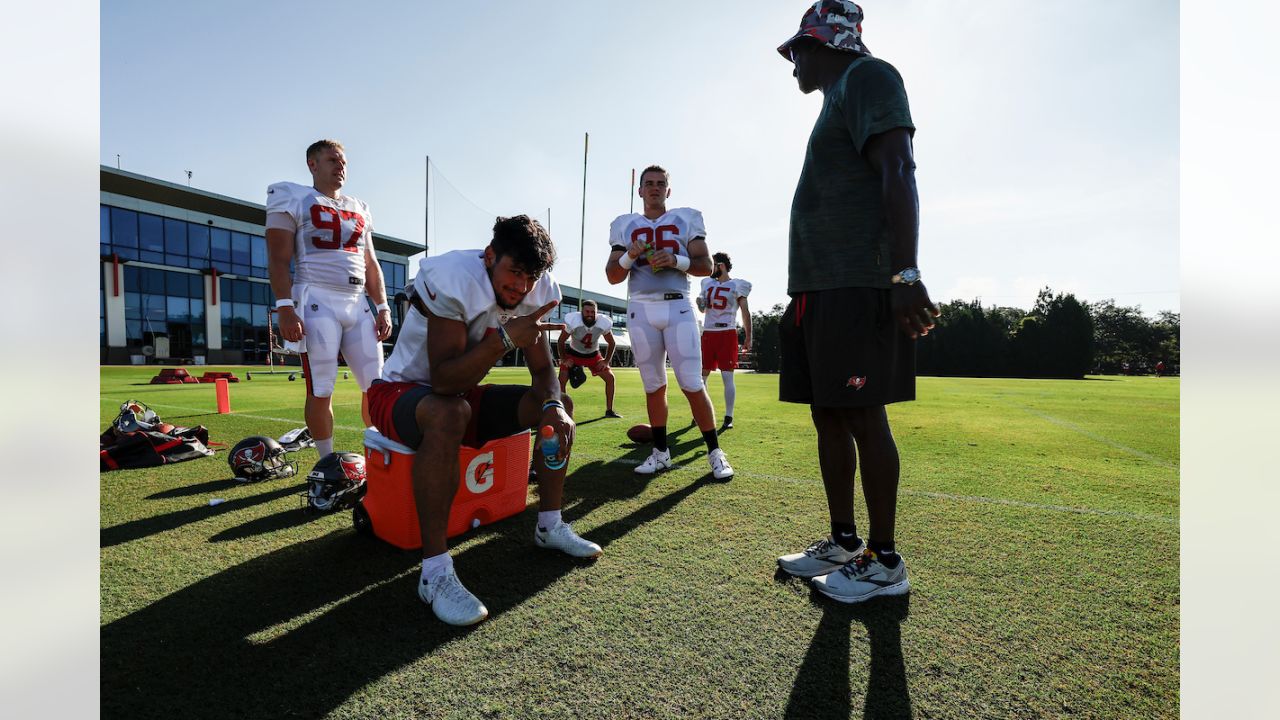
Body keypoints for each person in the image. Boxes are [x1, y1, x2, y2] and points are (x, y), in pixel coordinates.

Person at [773, 2, 940, 604]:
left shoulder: (869, 76)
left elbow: (899, 168)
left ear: (826, 44)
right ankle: (843, 541)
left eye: (799, 49)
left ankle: (885, 561)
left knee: (864, 413)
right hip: (818, 287)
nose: (793, 60)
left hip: (855, 281)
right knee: (828, 411)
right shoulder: (836, 96)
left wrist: (904, 273)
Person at [371, 215, 601, 626]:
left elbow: (543, 370)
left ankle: (549, 523)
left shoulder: (535, 290)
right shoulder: (453, 276)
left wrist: (554, 406)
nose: (521, 287)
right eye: (513, 272)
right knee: (450, 410)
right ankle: (434, 573)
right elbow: (442, 379)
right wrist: (506, 338)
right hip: (401, 393)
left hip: (460, 395)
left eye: (530, 277)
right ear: (490, 256)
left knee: (556, 402)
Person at [605, 165, 734, 480]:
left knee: (692, 383)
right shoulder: (624, 224)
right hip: (640, 309)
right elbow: (612, 275)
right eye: (648, 183)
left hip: (677, 307)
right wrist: (629, 256)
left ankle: (715, 452)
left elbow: (706, 265)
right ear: (640, 190)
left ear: (668, 190)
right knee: (653, 386)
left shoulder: (685, 218)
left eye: (660, 183)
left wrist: (677, 260)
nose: (654, 188)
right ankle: (660, 453)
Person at [266, 139, 392, 460]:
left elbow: (371, 263)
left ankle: (377, 458)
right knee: (321, 388)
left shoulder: (359, 206)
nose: (341, 167)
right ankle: (327, 462)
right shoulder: (293, 197)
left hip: (357, 302)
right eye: (333, 160)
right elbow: (278, 258)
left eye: (344, 162)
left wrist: (382, 306)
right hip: (316, 298)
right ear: (313, 164)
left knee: (377, 388)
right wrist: (285, 307)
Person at [696, 252, 752, 431]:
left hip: (726, 332)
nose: (710, 268)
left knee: (727, 376)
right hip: (709, 332)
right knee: (702, 375)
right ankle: (700, 412)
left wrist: (748, 336)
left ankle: (728, 416)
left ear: (721, 265)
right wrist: (700, 304)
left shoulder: (738, 285)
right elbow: (704, 309)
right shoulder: (707, 283)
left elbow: (745, 312)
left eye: (713, 264)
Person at [557, 299, 622, 418]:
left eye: (593, 312)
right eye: (587, 311)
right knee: (561, 379)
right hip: (574, 354)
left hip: (593, 355)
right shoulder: (573, 321)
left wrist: (606, 361)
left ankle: (609, 410)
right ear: (582, 311)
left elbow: (612, 343)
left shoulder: (603, 322)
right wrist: (564, 358)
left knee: (610, 378)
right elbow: (561, 341)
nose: (590, 314)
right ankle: (564, 412)